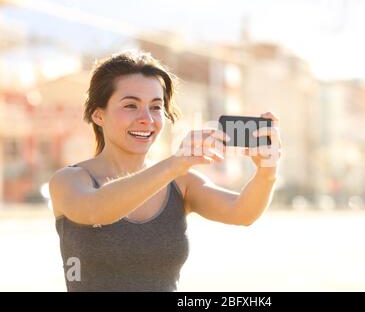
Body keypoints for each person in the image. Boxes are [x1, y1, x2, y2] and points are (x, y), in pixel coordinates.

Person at [48, 50, 282, 292]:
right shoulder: (69, 180)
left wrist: (267, 172)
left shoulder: (180, 181)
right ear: (98, 115)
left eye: (156, 107)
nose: (146, 118)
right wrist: (173, 164)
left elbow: (242, 212)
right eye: (130, 105)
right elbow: (96, 210)